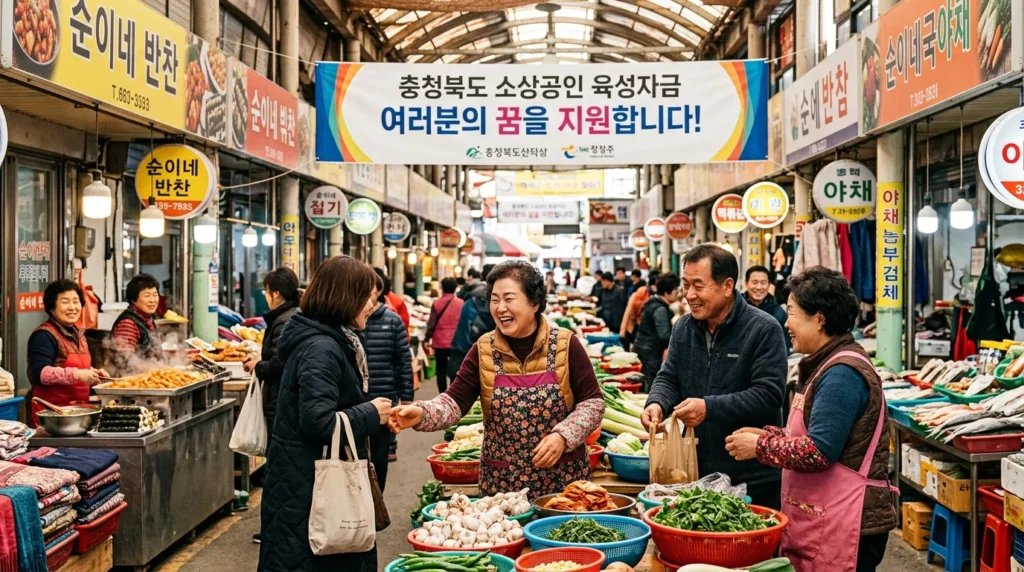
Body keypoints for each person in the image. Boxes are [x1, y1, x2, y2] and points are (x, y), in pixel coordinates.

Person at [725, 267, 896, 571]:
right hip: (823, 519)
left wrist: (761, 447)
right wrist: (768, 435)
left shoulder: (841, 374)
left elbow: (819, 450)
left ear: (819, 318)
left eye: (791, 312)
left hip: (847, 524)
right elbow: (817, 432)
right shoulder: (825, 363)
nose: (786, 323)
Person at [390, 261, 604, 496]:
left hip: (564, 483)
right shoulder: (483, 349)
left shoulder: (565, 344)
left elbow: (593, 403)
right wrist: (421, 412)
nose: (500, 308)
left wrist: (563, 436)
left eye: (509, 299)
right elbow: (453, 403)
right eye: (494, 299)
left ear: (534, 303)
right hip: (503, 486)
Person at [259, 256, 392, 572]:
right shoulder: (322, 347)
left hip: (302, 483)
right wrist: (371, 413)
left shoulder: (325, 339)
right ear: (345, 299)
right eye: (366, 298)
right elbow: (318, 421)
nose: (371, 306)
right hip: (309, 491)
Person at [641, 244, 788, 509]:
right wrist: (656, 403)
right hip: (697, 472)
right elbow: (669, 375)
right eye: (686, 285)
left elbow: (769, 394)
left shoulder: (764, 329)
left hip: (752, 476)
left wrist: (709, 407)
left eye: (699, 285)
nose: (690, 295)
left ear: (727, 286)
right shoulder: (684, 328)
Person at [243, 268, 300, 545]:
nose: (266, 296)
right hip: (281, 402)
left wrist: (257, 365)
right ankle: (279, 529)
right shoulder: (292, 316)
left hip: (279, 404)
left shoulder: (283, 321)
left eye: (267, 291)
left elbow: (279, 365)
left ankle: (275, 531)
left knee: (278, 470)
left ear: (275, 293)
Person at [27, 280, 109, 426]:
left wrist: (93, 373)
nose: (72, 307)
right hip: (51, 417)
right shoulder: (44, 335)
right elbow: (40, 373)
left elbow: (70, 365)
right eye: (65, 302)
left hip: (77, 414)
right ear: (52, 307)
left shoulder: (79, 334)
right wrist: (77, 375)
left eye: (76, 301)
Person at [360, 271, 414, 474]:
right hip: (357, 401)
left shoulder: (393, 321)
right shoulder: (349, 321)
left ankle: (377, 500)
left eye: (369, 291)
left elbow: (403, 361)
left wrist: (407, 398)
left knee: (379, 457)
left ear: (379, 291)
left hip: (383, 398)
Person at [632, 273, 680, 392]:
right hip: (650, 353)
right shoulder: (660, 309)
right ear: (667, 292)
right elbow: (664, 336)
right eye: (675, 290)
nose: (677, 293)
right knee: (649, 384)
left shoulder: (653, 303)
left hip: (643, 348)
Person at [449, 264, 496, 380]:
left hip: (469, 354)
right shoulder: (505, 304)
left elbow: (462, 332)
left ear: (481, 276)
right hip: (493, 358)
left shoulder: (470, 300)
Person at [110, 274, 163, 373]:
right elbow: (125, 360)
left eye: (155, 295)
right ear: (134, 299)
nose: (152, 300)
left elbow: (154, 352)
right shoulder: (128, 323)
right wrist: (158, 371)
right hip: (132, 382)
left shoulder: (147, 318)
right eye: (147, 296)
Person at [425, 278, 464, 393]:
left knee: (441, 369)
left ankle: (442, 394)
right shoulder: (461, 303)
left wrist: (427, 339)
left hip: (439, 342)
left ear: (442, 288)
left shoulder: (436, 303)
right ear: (455, 288)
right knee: (456, 369)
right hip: (456, 341)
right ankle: (452, 394)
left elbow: (431, 324)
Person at [745, 266, 791, 352]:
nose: (759, 287)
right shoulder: (736, 309)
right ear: (746, 283)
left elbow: (786, 344)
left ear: (769, 285)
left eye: (763, 283)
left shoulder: (779, 312)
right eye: (754, 282)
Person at [621, 270, 659, 352]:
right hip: (633, 326)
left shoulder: (656, 295)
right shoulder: (641, 292)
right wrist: (622, 331)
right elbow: (628, 310)